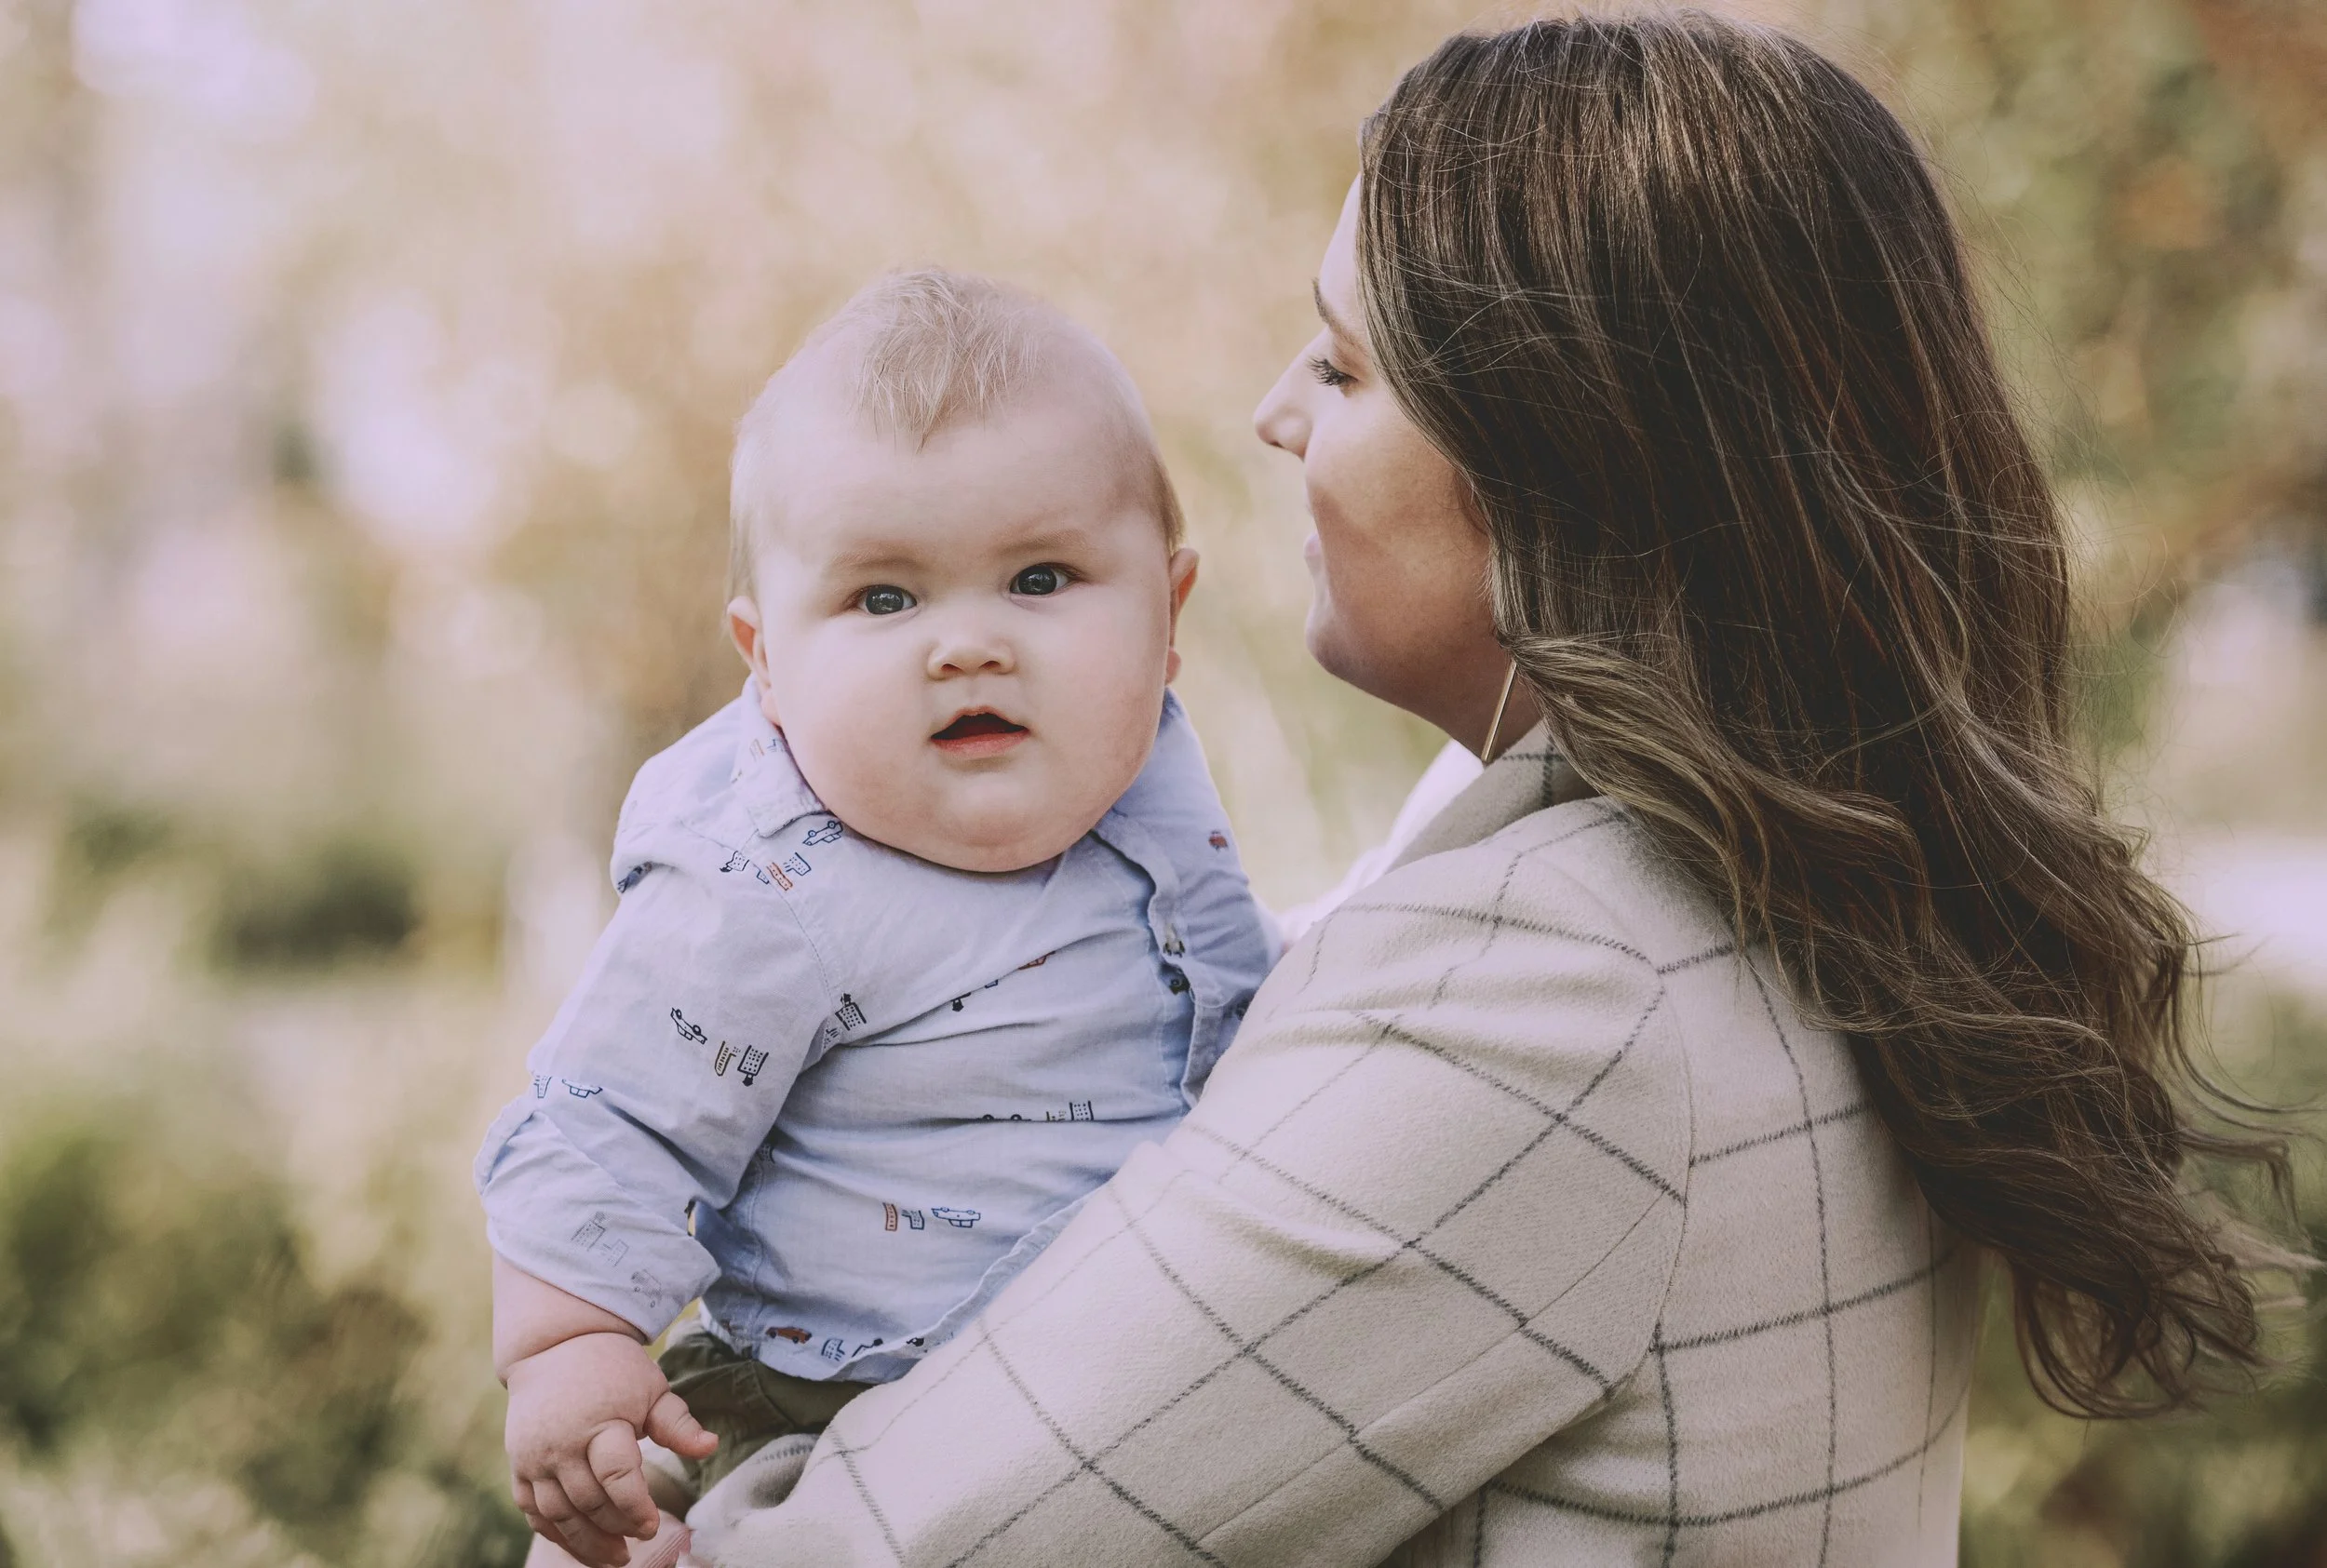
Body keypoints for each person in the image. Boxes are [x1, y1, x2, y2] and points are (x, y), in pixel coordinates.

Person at [705, 14, 2294, 1566]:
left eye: (1341, 367)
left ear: (1565, 457)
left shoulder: (1544, 997)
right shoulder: (1788, 869)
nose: (1274, 415)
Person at [473, 268, 1276, 1567]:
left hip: (1123, 1399)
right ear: (767, 664)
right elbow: (610, 1119)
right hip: (832, 1409)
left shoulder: (1152, 783)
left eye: (1041, 576)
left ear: (1167, 617)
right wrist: (569, 1348)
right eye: (884, 599)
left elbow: (1243, 1004)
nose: (966, 645)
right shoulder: (768, 887)